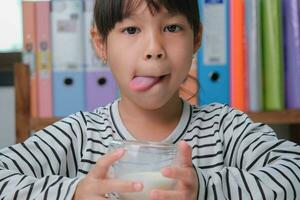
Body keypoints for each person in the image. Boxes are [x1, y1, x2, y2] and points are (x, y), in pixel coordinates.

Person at [1, 0, 300, 199]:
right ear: (101, 44)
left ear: (196, 39)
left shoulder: (225, 128)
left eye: (172, 28)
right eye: (131, 29)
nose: (154, 49)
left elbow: (293, 170)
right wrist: (75, 192)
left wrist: (204, 189)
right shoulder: (78, 134)